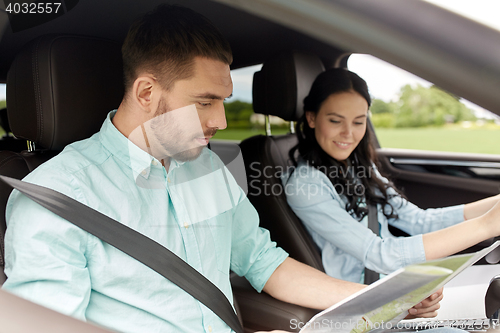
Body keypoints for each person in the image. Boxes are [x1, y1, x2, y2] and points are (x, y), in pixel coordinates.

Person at [2, 6, 446, 333]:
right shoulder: (56, 197)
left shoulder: (207, 169)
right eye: (204, 102)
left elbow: (263, 262)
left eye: (222, 101)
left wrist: (385, 301)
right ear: (145, 92)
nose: (218, 120)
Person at [283, 68, 500, 284]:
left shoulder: (358, 164)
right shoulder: (306, 186)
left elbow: (419, 220)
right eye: (335, 121)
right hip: (367, 294)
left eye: (358, 122)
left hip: (397, 279)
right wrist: (485, 225)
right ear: (311, 118)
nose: (348, 133)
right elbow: (380, 255)